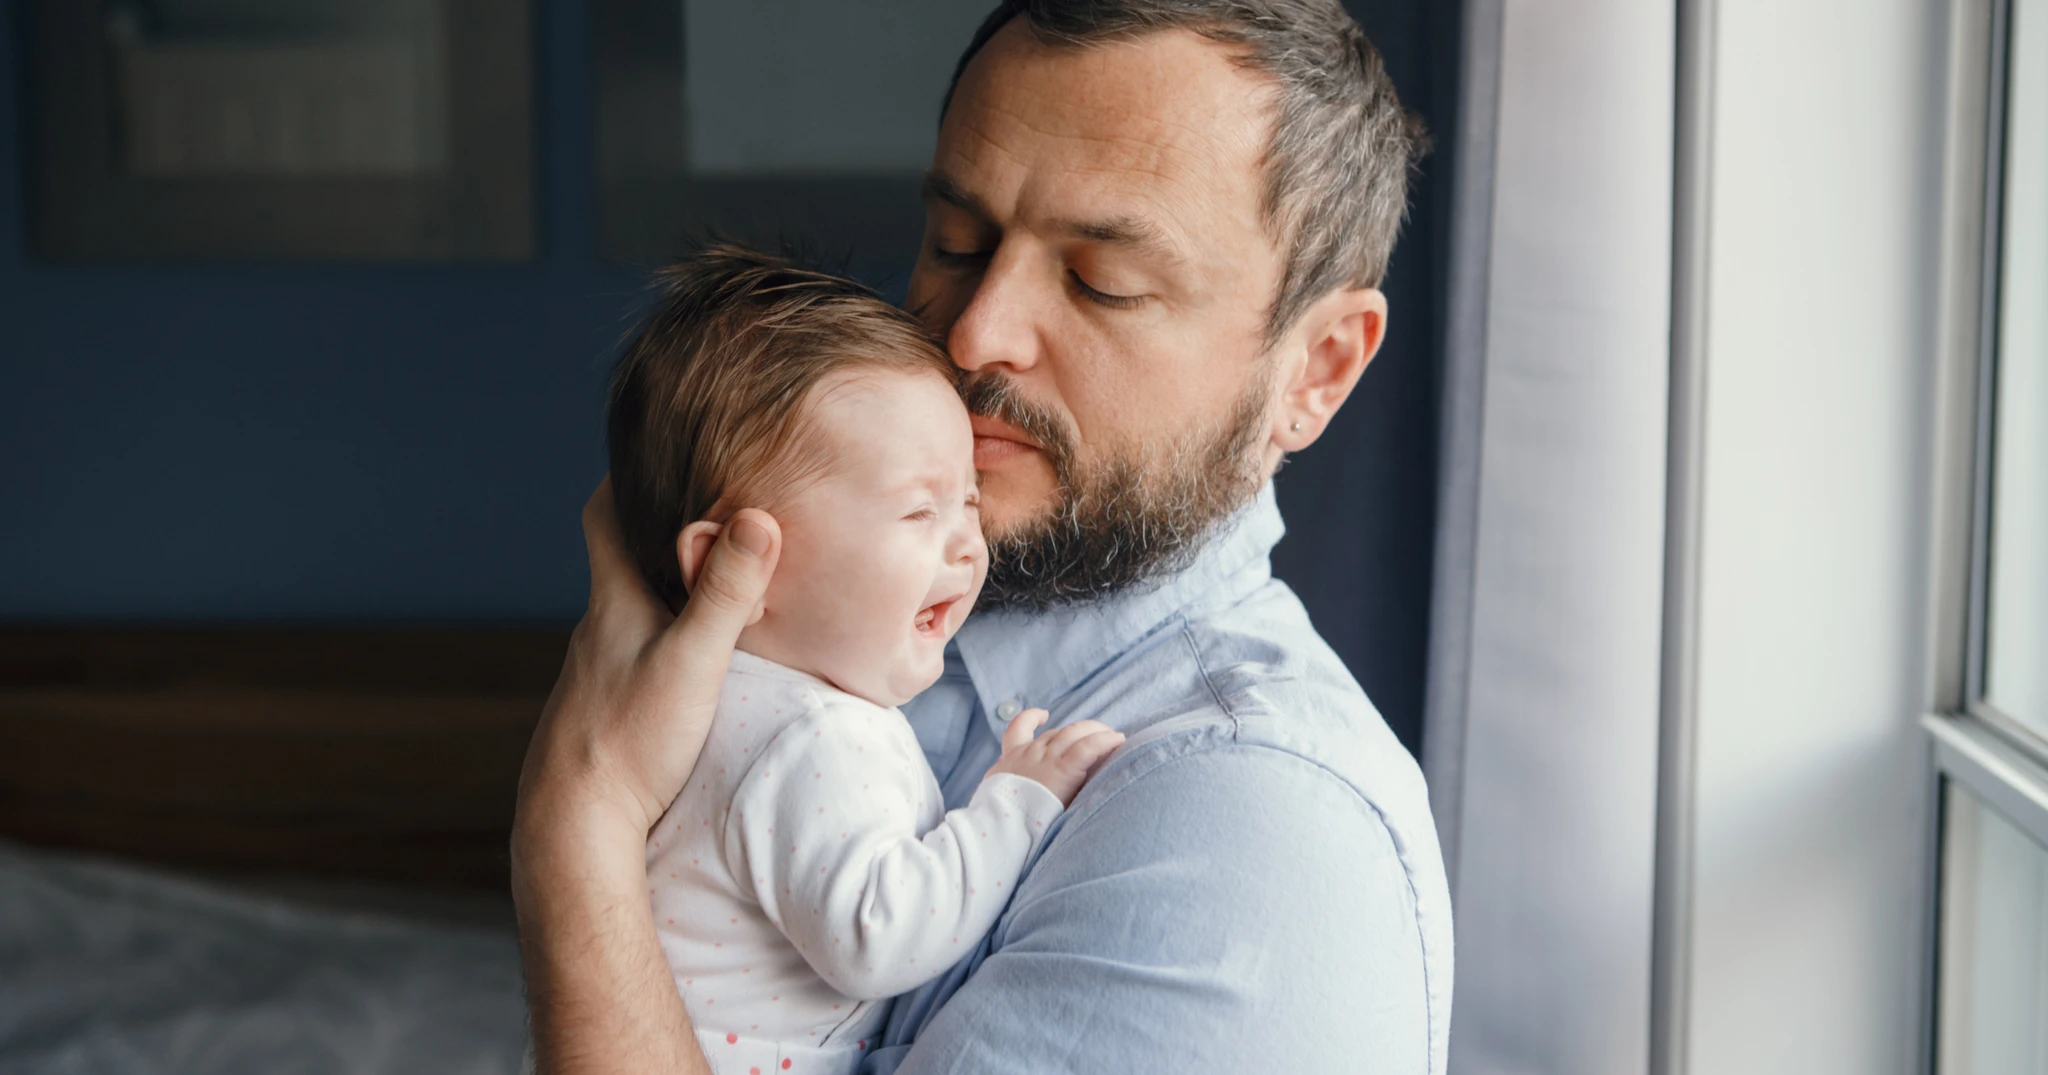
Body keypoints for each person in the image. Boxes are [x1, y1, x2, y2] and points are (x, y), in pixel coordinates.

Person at [513, 2, 1453, 1072]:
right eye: (957, 242)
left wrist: (574, 827)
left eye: (1101, 281)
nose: (972, 333)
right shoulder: (835, 633)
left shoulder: (1254, 842)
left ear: (1317, 367)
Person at [603, 247, 1123, 1074]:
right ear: (738, 563)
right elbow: (877, 934)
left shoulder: (701, 702)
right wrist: (1014, 804)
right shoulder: (809, 735)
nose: (966, 541)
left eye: (969, 499)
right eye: (920, 509)